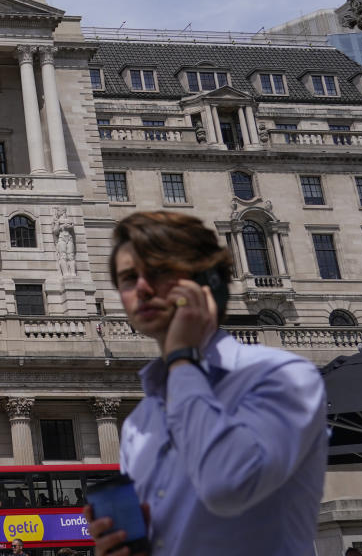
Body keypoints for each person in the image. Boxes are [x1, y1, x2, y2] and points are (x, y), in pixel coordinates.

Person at [86, 211, 327, 555]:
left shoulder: (281, 376)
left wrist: (182, 358)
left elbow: (226, 485)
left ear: (205, 279)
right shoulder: (140, 423)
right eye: (127, 278)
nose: (141, 287)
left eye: (159, 271)